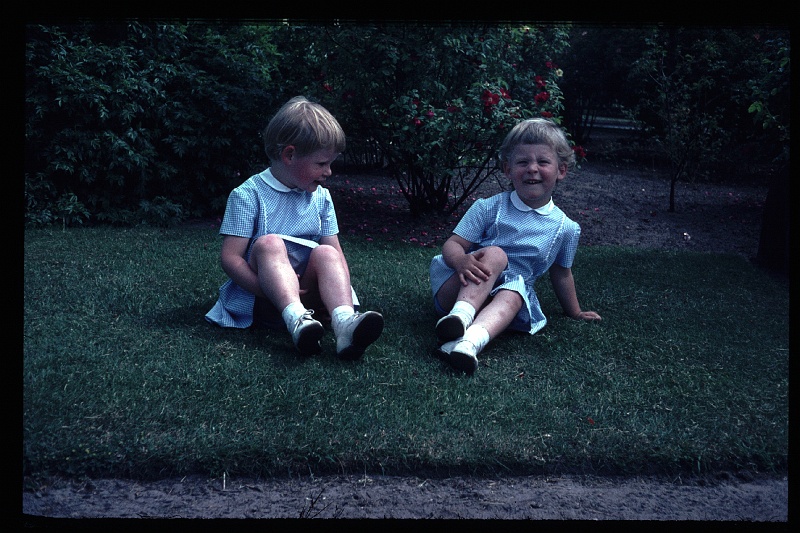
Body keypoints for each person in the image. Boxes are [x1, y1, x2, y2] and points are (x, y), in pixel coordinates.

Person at [205, 96, 384, 360]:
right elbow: (230, 258)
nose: (329, 172)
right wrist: (264, 290)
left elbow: (336, 254)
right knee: (269, 244)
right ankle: (295, 319)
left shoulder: (321, 198)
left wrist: (337, 297)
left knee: (326, 253)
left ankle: (344, 323)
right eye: (321, 163)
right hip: (264, 298)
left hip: (309, 297)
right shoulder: (248, 194)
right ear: (289, 155)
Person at [429, 118, 601, 375]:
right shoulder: (488, 207)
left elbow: (562, 273)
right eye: (522, 162)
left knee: (515, 293)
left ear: (561, 170)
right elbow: (453, 244)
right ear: (508, 170)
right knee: (497, 254)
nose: (532, 169)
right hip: (462, 285)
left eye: (543, 162)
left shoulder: (566, 228)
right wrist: (461, 261)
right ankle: (459, 318)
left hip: (502, 302)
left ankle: (468, 343)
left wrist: (574, 312)